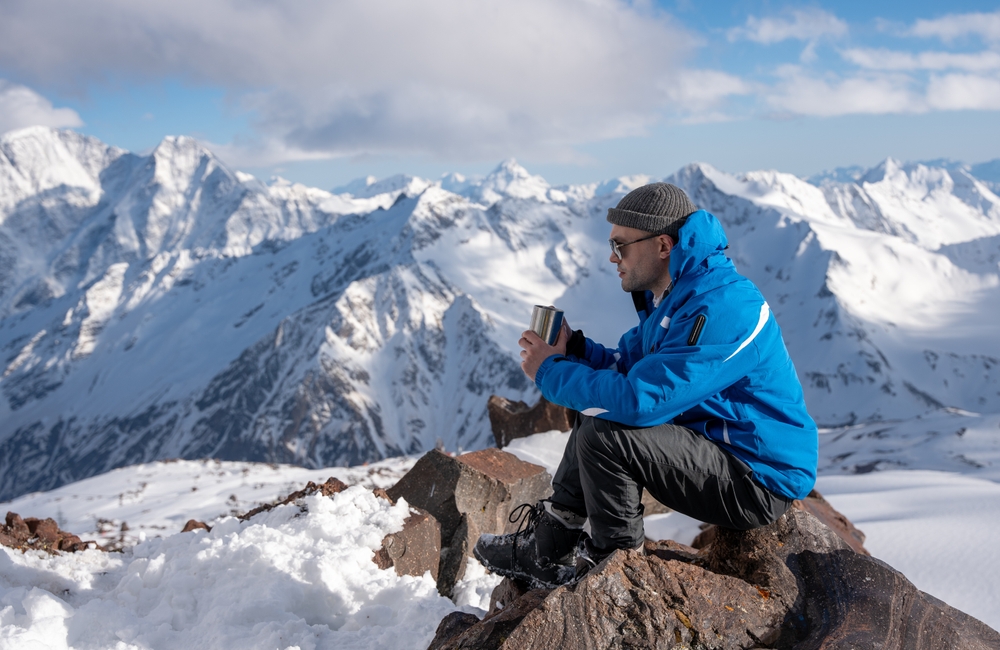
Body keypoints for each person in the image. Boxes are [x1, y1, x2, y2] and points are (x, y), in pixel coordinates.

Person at [474, 182, 818, 588]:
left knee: (607, 432)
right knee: (597, 411)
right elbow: (626, 368)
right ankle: (548, 545)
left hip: (757, 477)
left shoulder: (724, 307)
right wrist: (574, 350)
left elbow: (640, 402)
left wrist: (550, 372)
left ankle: (614, 572)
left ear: (663, 246)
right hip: (719, 453)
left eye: (621, 246)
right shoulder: (678, 297)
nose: (612, 257)